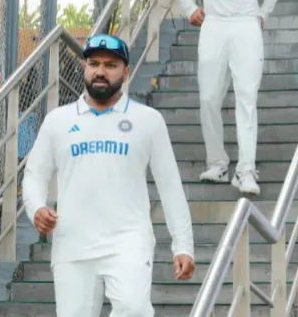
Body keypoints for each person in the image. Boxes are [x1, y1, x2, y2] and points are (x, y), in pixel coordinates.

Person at [21, 34, 195, 317]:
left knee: (135, 309)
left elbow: (170, 186)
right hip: (72, 245)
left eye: (111, 65)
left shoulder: (148, 121)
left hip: (128, 241)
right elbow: (33, 175)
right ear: (85, 68)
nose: (100, 71)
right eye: (94, 63)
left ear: (126, 73)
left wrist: (183, 245)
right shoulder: (58, 121)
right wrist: (37, 208)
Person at [173, 0, 287, 196]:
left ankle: (246, 170)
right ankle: (217, 163)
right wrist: (188, 7)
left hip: (246, 27)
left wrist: (264, 13)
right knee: (209, 98)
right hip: (214, 27)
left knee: (246, 98)